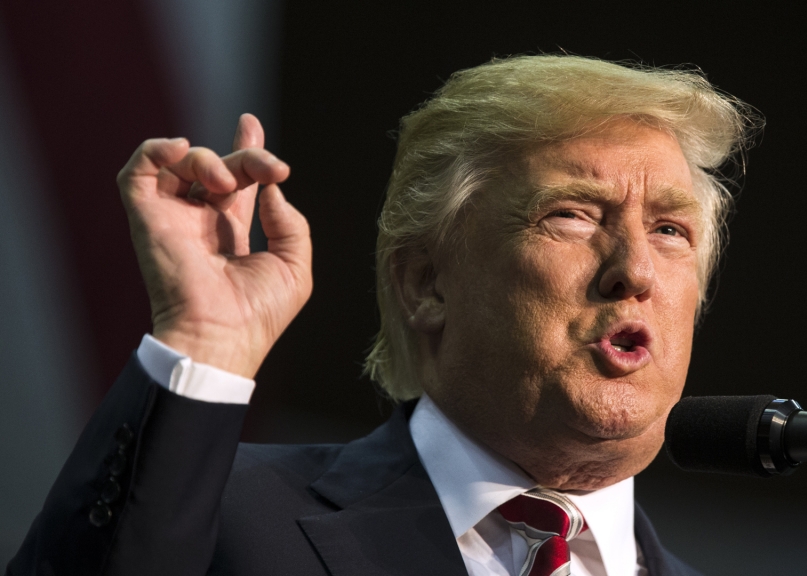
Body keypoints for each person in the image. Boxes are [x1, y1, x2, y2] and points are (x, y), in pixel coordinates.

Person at [7, 55, 754, 576]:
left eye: (670, 229)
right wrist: (204, 344)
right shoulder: (222, 521)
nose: (635, 270)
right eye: (572, 215)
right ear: (427, 283)